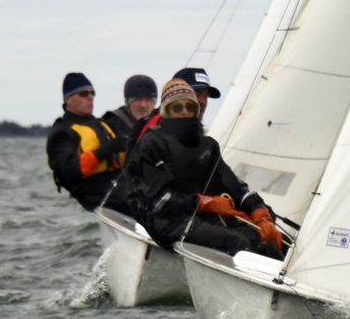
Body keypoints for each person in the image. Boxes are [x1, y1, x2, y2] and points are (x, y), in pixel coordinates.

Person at [126, 79, 284, 258]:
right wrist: (205, 203)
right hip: (167, 221)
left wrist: (260, 213)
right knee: (238, 244)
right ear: (167, 112)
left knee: (271, 243)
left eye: (190, 107)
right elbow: (159, 200)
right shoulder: (151, 144)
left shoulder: (208, 146)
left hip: (206, 219)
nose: (185, 112)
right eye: (177, 108)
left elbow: (236, 187)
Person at [45, 72, 135, 216]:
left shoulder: (103, 125)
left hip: (121, 185)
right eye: (84, 94)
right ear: (68, 99)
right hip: (96, 195)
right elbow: (69, 170)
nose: (90, 97)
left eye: (92, 93)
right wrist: (106, 150)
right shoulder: (62, 133)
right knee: (140, 200)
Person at [128, 66, 222, 152]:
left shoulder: (193, 132)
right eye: (197, 94)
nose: (203, 102)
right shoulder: (156, 133)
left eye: (206, 97)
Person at [101, 74, 157, 139]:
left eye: (148, 99)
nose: (143, 105)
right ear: (127, 102)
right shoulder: (110, 126)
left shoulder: (162, 125)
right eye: (138, 99)